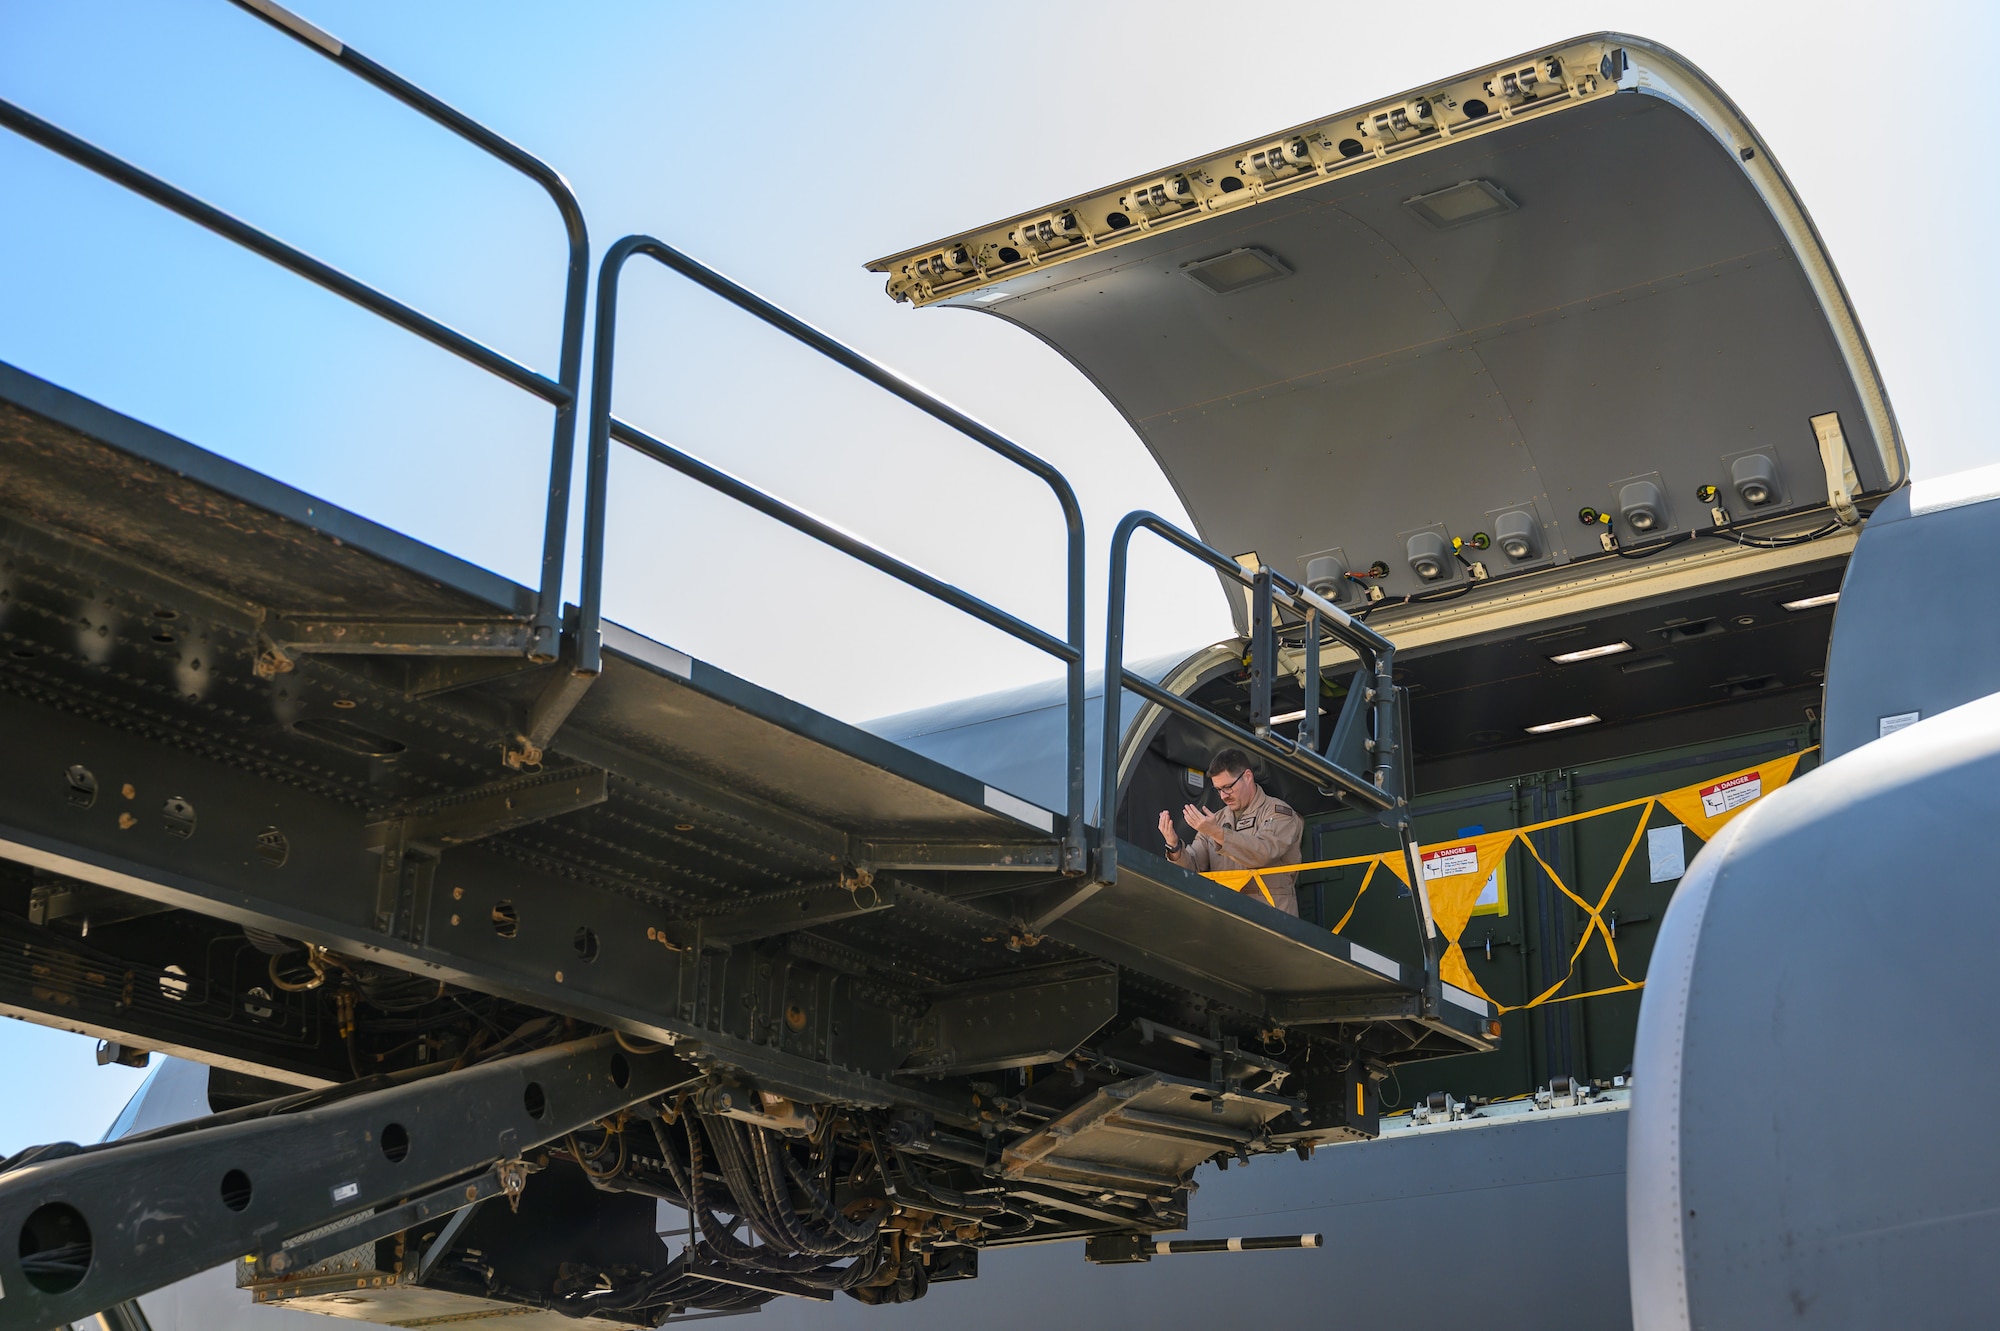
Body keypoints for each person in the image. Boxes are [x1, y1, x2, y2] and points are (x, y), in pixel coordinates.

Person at [1157, 748, 1304, 916]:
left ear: (1248, 777)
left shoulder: (1278, 812)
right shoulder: (1216, 821)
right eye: (1218, 789)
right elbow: (1193, 867)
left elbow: (1263, 852)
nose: (1223, 796)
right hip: (1228, 919)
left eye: (1228, 787)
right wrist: (1174, 846)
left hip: (1272, 919)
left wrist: (1218, 833)